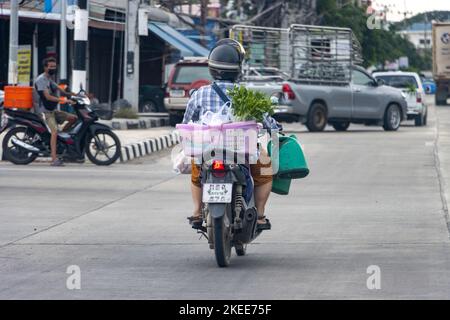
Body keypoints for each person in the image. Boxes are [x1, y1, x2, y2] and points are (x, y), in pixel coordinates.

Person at [182, 39, 281, 231]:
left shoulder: (200, 94)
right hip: (240, 151)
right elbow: (267, 120)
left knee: (197, 174)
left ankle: (196, 212)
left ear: (211, 68)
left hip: (207, 150)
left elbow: (187, 122)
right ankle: (259, 216)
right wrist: (274, 128)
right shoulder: (245, 94)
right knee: (265, 170)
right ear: (238, 69)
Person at [34, 57, 77, 166]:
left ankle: (60, 139)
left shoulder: (49, 79)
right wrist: (64, 100)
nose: (53, 68)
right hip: (44, 112)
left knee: (73, 118)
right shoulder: (41, 80)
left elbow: (61, 90)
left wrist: (76, 95)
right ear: (45, 67)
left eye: (54, 66)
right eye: (51, 66)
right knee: (54, 132)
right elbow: (47, 97)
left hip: (52, 111)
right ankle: (54, 159)